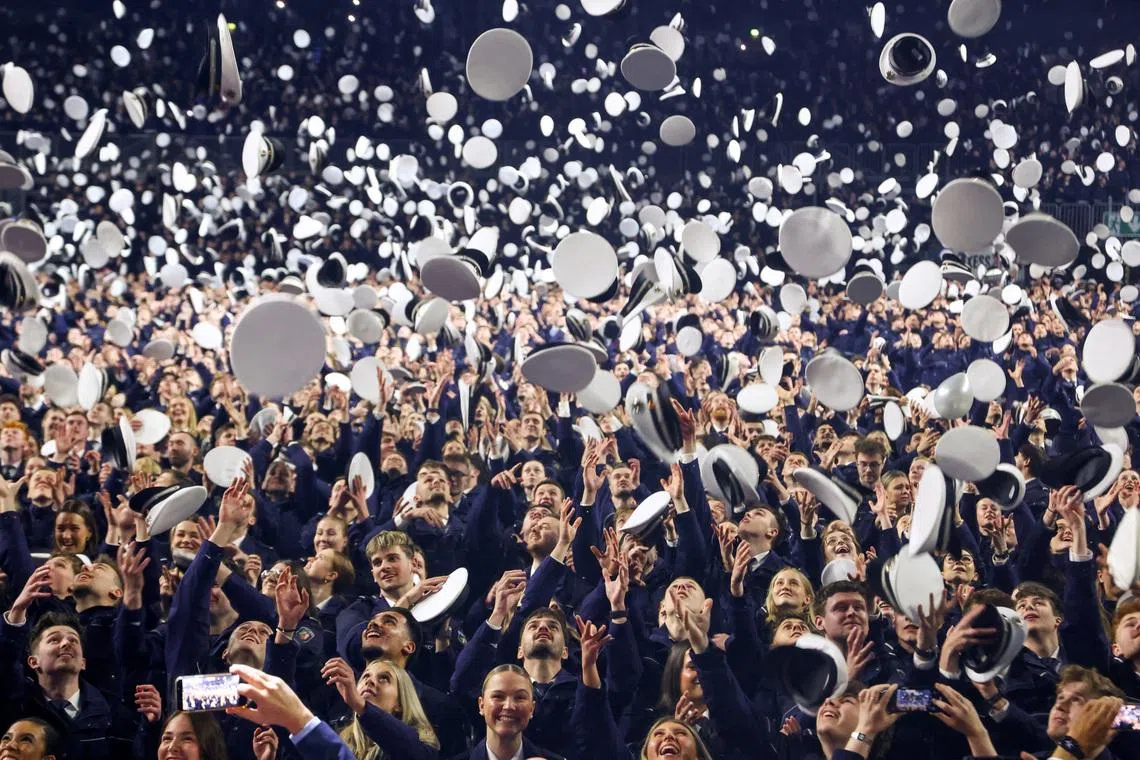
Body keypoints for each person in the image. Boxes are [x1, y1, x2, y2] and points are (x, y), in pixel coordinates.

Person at [321, 657, 440, 760]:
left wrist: (361, 706)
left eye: (384, 678)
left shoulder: (421, 746)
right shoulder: (338, 740)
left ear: (400, 703)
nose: (370, 681)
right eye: (366, 676)